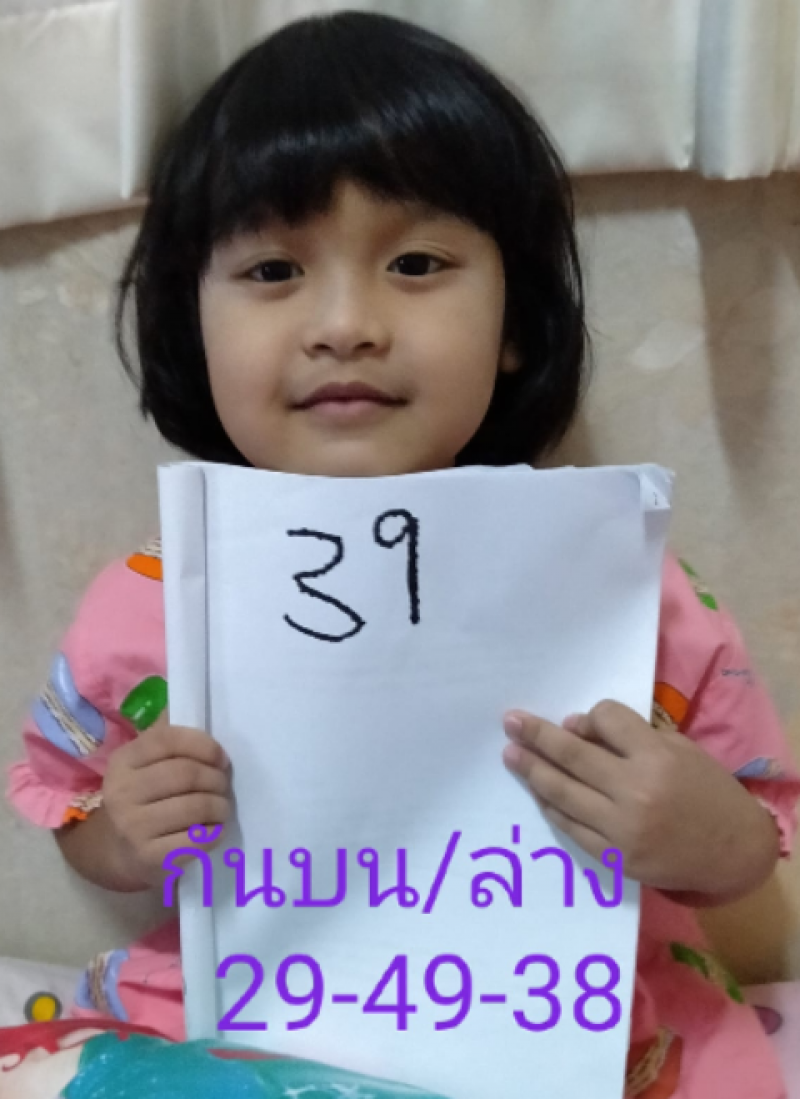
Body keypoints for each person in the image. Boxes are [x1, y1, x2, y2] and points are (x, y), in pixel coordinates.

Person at [6, 11, 799, 1098]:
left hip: (566, 1029)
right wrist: (126, 837)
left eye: (416, 262)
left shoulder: (625, 593)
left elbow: (754, 837)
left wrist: (698, 833)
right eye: (274, 268)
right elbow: (75, 814)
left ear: (514, 320)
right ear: (192, 322)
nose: (345, 324)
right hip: (247, 1022)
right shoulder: (153, 600)